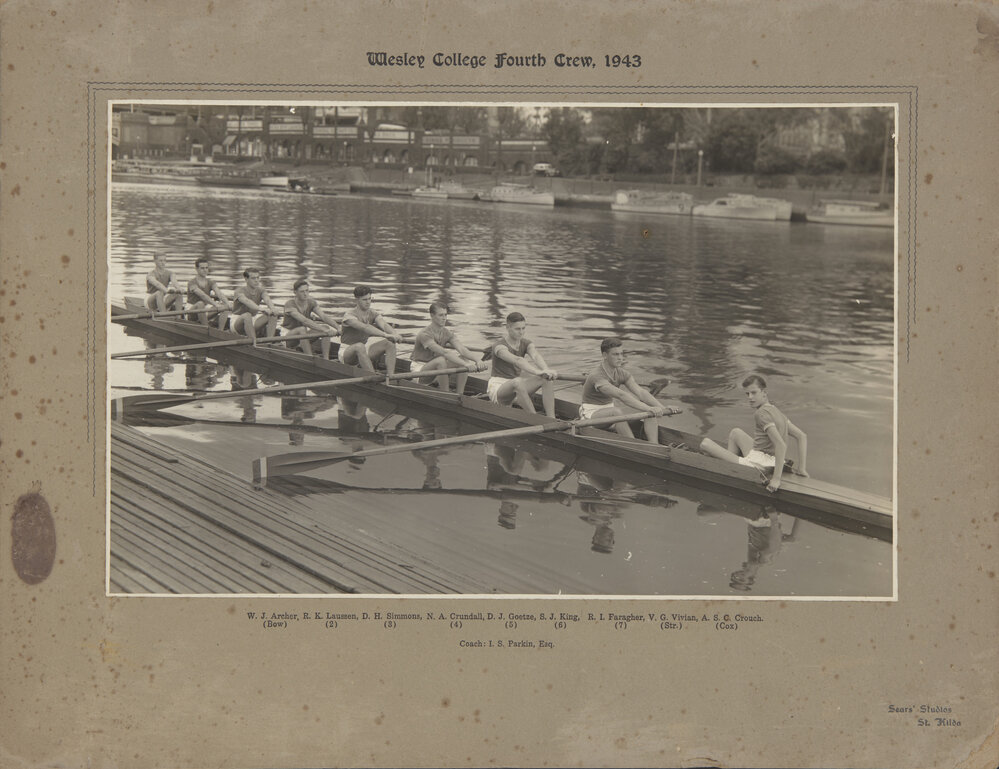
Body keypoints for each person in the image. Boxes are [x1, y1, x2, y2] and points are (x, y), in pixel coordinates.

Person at [699, 374, 809, 493]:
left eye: (754, 393)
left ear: (764, 392)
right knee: (735, 432)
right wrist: (801, 468)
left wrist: (776, 479)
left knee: (705, 444)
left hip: (759, 465)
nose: (750, 397)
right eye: (747, 394)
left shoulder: (760, 414)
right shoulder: (776, 411)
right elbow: (802, 436)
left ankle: (731, 468)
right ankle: (730, 466)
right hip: (773, 460)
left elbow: (781, 445)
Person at [578, 337, 681, 444]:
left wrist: (662, 408)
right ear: (605, 355)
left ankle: (654, 446)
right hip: (590, 416)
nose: (620, 358)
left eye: (621, 354)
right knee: (617, 412)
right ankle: (634, 445)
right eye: (615, 354)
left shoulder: (622, 373)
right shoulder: (596, 375)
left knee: (648, 409)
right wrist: (650, 408)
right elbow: (621, 395)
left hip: (608, 411)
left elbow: (641, 392)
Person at [487, 311, 558, 418]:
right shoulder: (499, 346)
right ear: (508, 327)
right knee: (518, 382)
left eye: (523, 328)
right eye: (517, 329)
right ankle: (535, 419)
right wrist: (538, 371)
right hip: (498, 388)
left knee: (546, 379)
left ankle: (551, 420)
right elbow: (517, 360)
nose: (521, 332)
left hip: (516, 386)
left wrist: (546, 370)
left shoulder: (526, 343)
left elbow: (535, 356)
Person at [410, 302, 486, 393]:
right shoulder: (425, 334)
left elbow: (462, 349)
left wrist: (477, 360)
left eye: (446, 315)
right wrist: (467, 366)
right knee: (442, 360)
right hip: (419, 371)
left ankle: (459, 395)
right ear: (432, 315)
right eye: (441, 315)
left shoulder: (447, 333)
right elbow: (445, 353)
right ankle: (446, 394)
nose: (444, 318)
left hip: (436, 369)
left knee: (463, 359)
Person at [339, 285, 403, 374]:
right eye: (364, 300)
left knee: (390, 343)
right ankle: (373, 376)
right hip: (346, 353)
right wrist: (386, 335)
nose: (368, 302)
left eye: (369, 299)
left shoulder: (373, 313)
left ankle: (391, 377)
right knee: (359, 346)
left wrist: (394, 334)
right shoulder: (349, 315)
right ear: (357, 300)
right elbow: (365, 328)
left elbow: (384, 325)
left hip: (363, 350)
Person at [281, 278, 340, 358]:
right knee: (302, 329)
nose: (305, 294)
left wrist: (338, 327)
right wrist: (325, 330)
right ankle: (310, 358)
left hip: (303, 335)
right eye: (302, 291)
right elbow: (305, 321)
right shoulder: (290, 304)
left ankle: (326, 359)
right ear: (295, 292)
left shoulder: (311, 302)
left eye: (307, 291)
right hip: (288, 337)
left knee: (325, 326)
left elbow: (323, 316)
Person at [230, 268, 279, 343]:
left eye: (258, 277)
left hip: (253, 319)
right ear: (246, 279)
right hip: (237, 322)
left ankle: (269, 343)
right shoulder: (239, 291)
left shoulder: (261, 290)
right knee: (247, 315)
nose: (256, 280)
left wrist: (273, 309)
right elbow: (247, 301)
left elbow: (268, 300)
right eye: (253, 278)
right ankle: (254, 343)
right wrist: (262, 309)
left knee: (272, 315)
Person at [186, 257, 231, 330]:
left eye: (206, 268)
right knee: (200, 303)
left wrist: (228, 304)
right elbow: (202, 295)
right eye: (202, 268)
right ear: (197, 269)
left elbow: (219, 294)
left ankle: (220, 331)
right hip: (192, 310)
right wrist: (215, 304)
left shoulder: (210, 282)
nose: (205, 270)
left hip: (204, 310)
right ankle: (206, 329)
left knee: (224, 306)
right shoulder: (192, 282)